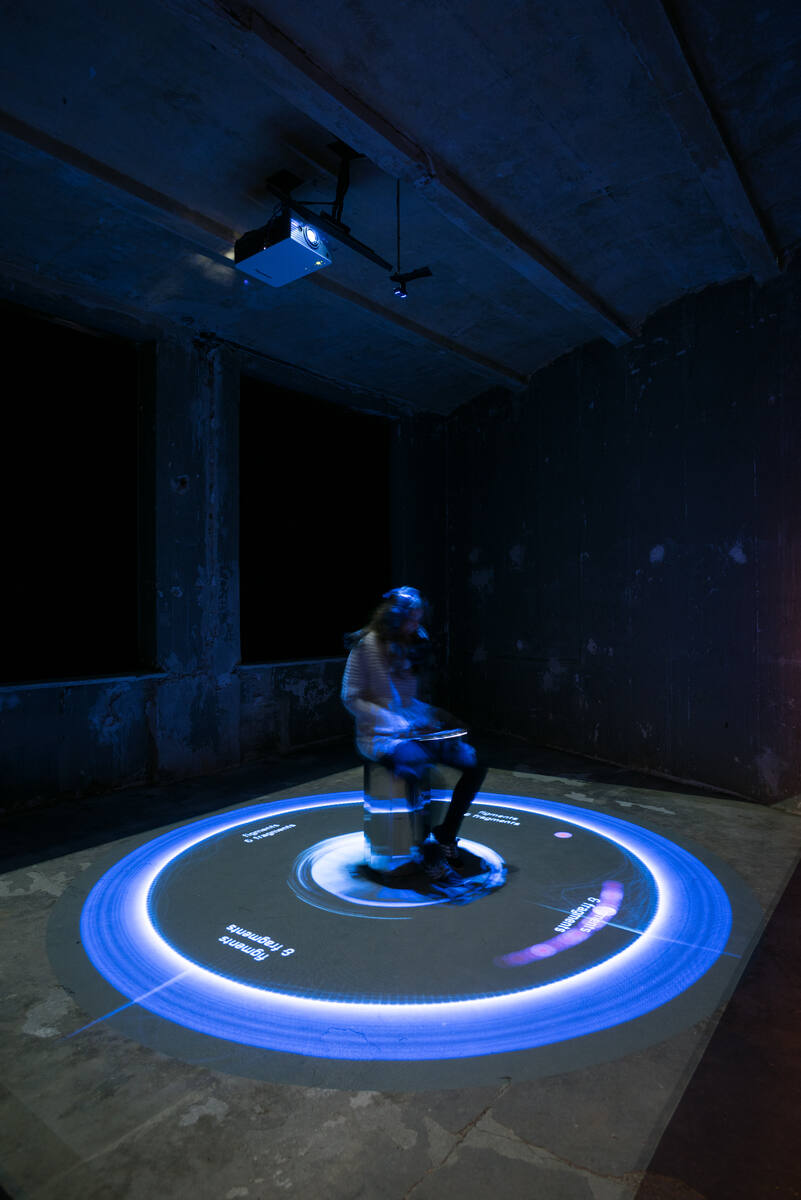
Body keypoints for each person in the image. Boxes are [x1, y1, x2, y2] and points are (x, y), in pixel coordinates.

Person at [341, 586, 487, 877]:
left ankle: (446, 834)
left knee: (475, 765)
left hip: (412, 731)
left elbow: (406, 702)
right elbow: (351, 697)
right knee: (421, 770)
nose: (415, 626)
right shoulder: (366, 647)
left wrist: (435, 716)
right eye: (410, 620)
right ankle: (426, 851)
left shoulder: (408, 645)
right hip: (379, 736)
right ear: (394, 617)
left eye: (418, 620)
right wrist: (393, 721)